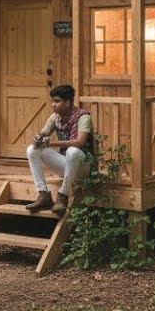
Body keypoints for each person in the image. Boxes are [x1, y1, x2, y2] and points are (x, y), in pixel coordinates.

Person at [25, 84, 94, 217]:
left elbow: (80, 142)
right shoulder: (55, 117)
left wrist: (52, 143)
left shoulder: (83, 117)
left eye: (57, 101)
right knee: (32, 150)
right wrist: (37, 139)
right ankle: (43, 194)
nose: (53, 104)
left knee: (72, 151)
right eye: (52, 101)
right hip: (66, 165)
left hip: (83, 166)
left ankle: (63, 196)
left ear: (67, 102)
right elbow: (43, 133)